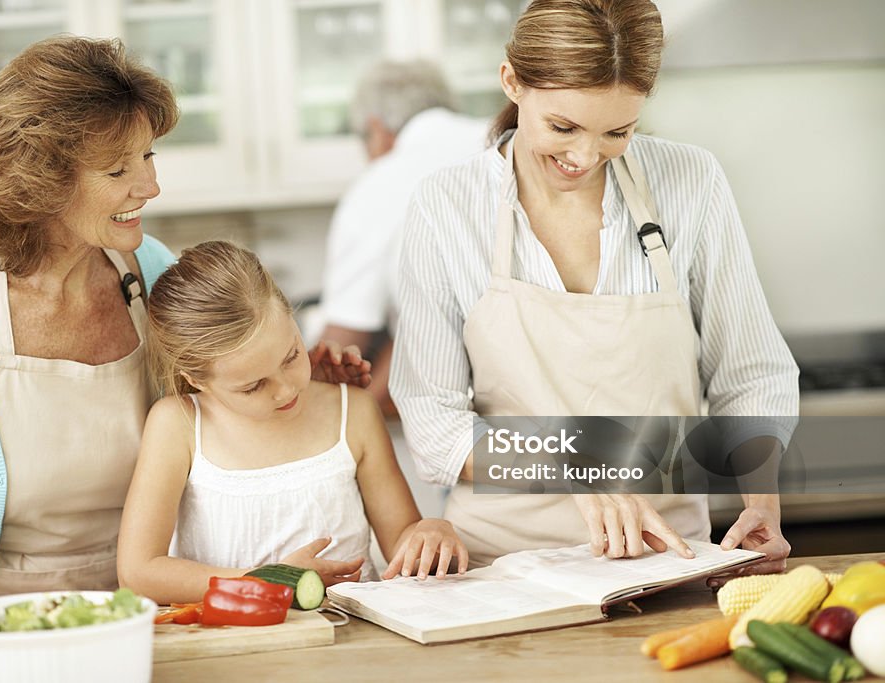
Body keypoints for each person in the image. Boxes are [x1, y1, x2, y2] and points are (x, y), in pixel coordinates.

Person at [0, 36, 369, 598]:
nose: (151, 186)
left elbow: (222, 418)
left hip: (160, 611)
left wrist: (303, 385)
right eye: (117, 169)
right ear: (40, 184)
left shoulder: (152, 273)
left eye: (148, 156)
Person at [390, 0, 798, 577]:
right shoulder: (448, 206)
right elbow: (435, 423)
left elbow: (751, 373)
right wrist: (574, 466)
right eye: (563, 127)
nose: (584, 156)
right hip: (499, 570)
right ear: (511, 81)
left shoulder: (691, 181)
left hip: (667, 561)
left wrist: (761, 503)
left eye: (617, 131)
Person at [117, 241, 468, 605]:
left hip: (352, 639)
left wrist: (429, 532)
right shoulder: (179, 425)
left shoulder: (353, 411)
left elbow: (402, 540)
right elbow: (139, 572)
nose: (285, 391)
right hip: (232, 645)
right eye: (253, 386)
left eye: (291, 357)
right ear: (196, 379)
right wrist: (268, 582)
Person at [319, 60, 488, 417]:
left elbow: (346, 336)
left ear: (376, 130)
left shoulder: (381, 181)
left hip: (455, 399)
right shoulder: (509, 136)